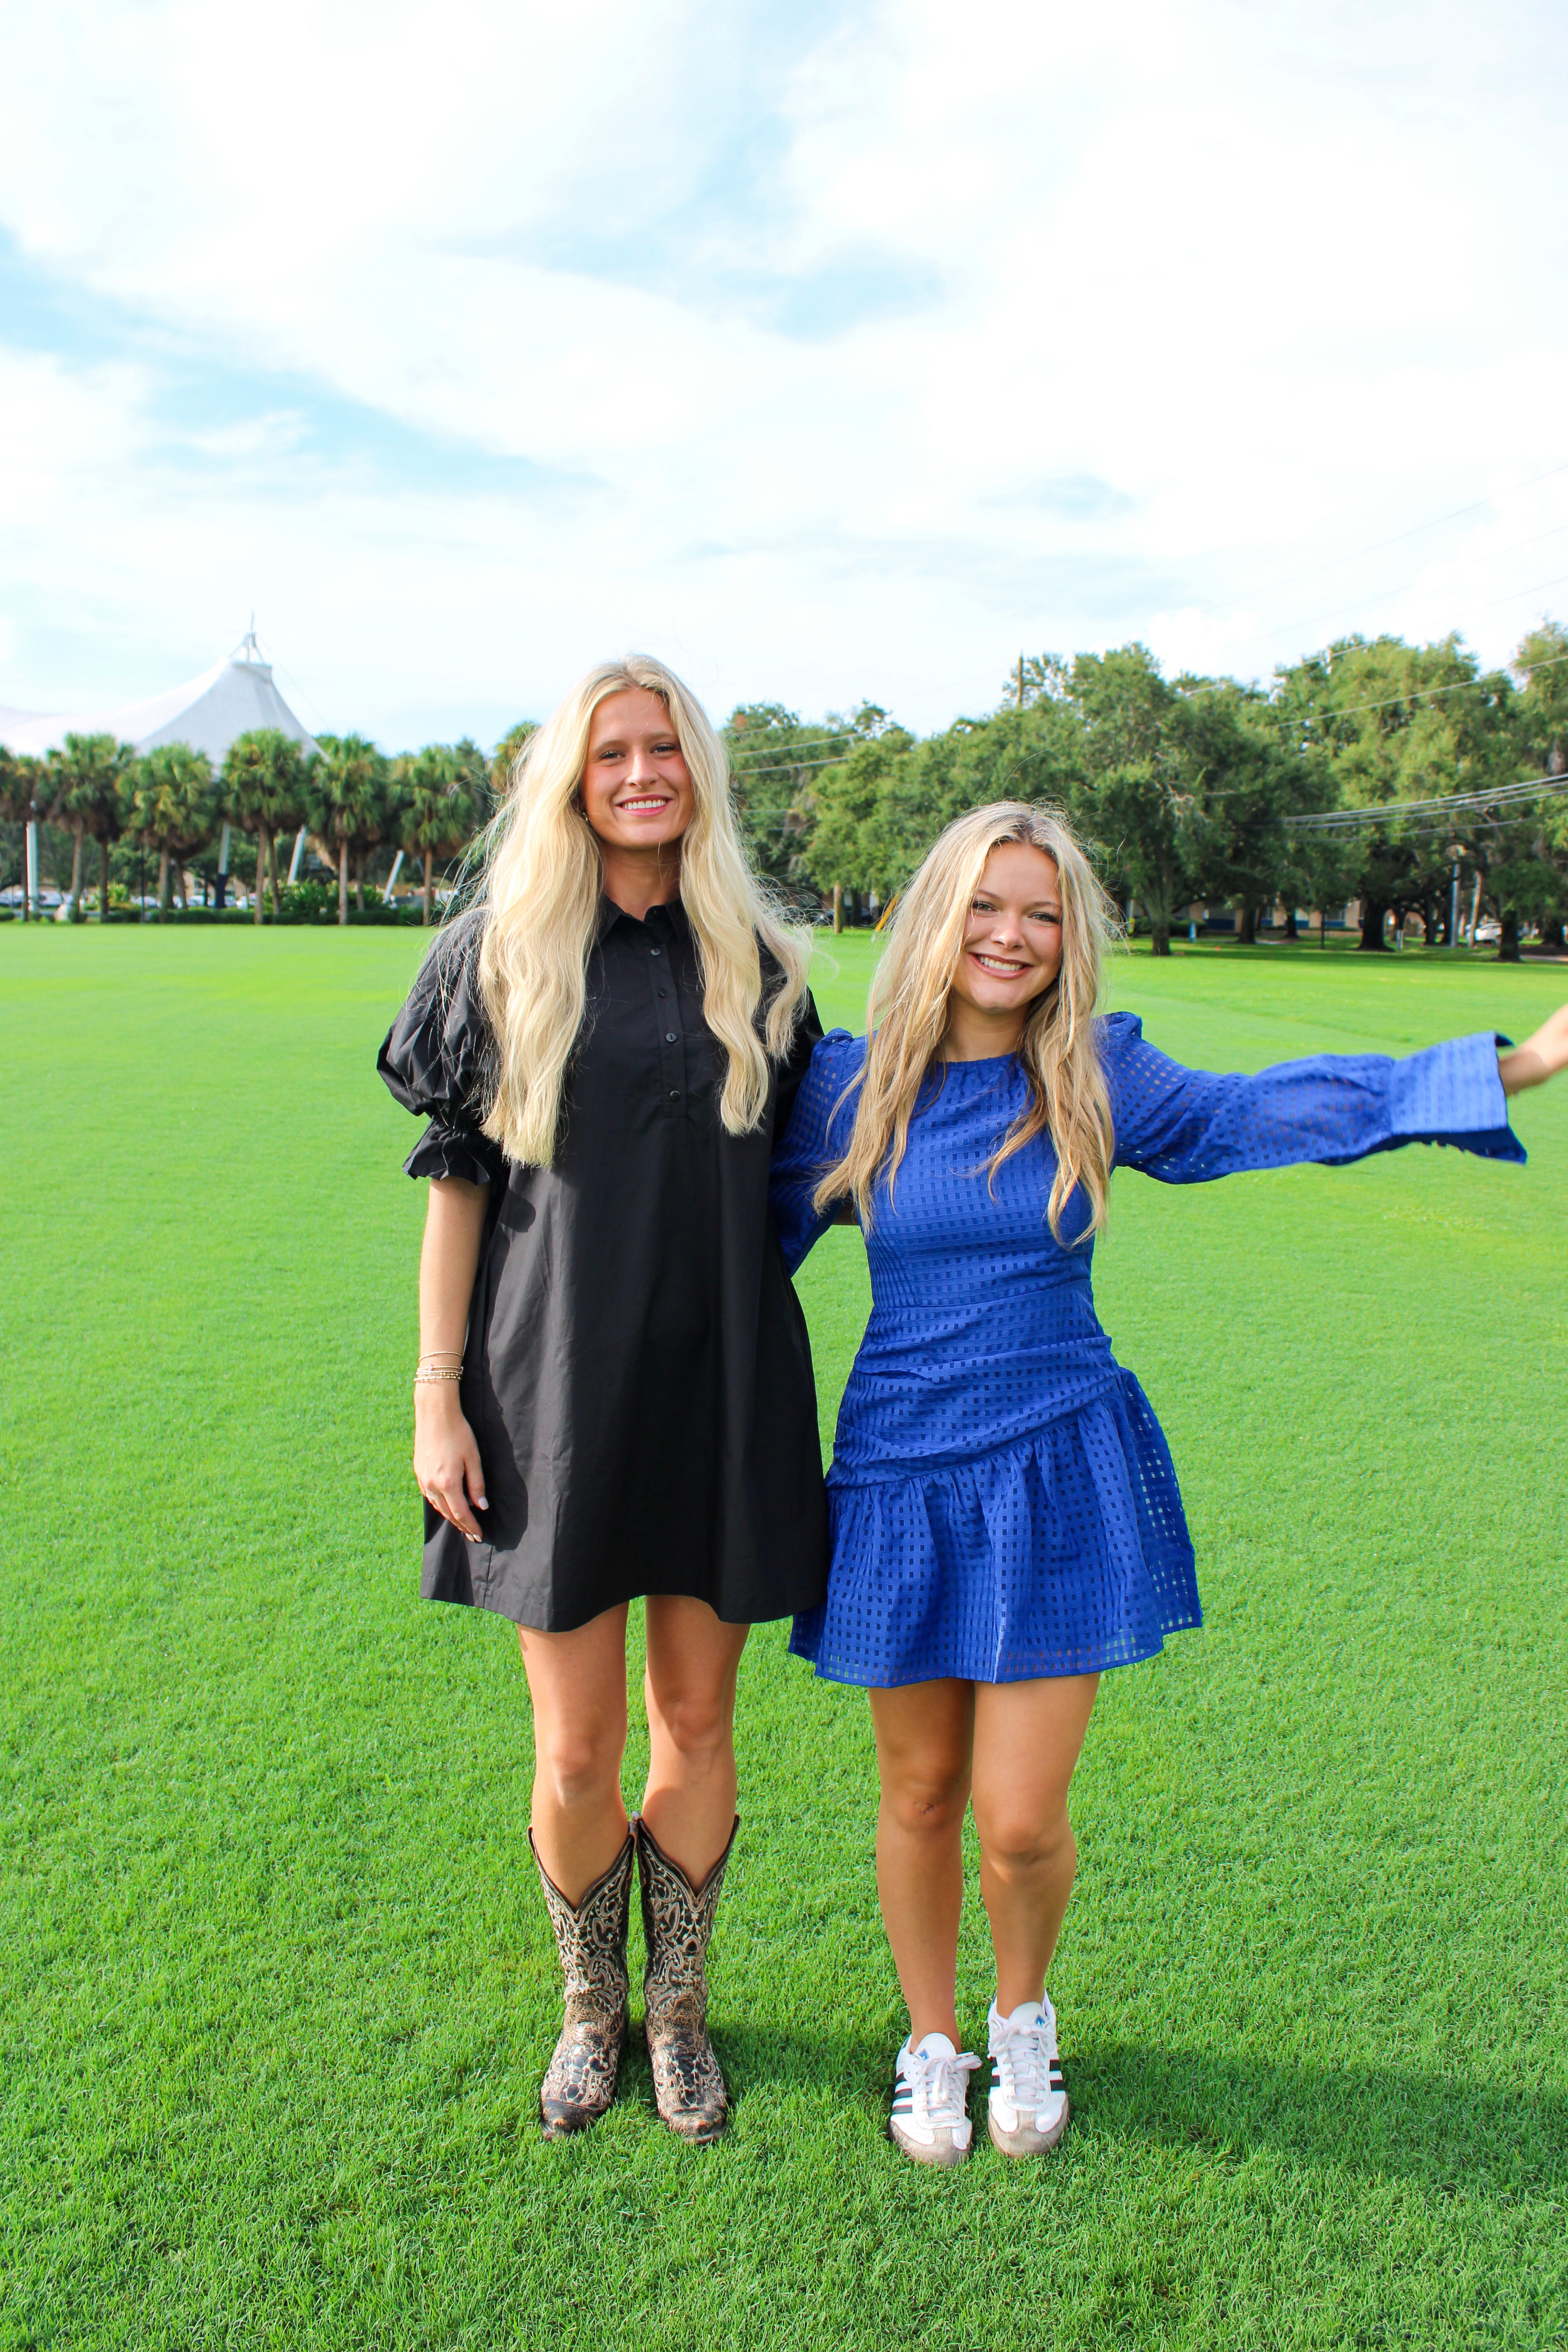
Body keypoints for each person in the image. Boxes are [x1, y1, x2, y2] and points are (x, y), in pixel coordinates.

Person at [769, 800, 1568, 2170]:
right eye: (986, 905)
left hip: (1058, 1464)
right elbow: (720, 1239)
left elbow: (1272, 1110)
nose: (1011, 936)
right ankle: (929, 2044)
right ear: (937, 916)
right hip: (900, 1473)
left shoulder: (1092, 1073)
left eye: (1042, 913)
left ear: (1068, 938)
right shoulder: (854, 1087)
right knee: (917, 1792)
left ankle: (1022, 2017)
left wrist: (1526, 1062)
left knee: (1018, 1820)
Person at [377, 656, 826, 2144]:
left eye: (666, 749)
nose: (642, 773)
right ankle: (592, 2013)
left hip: (721, 1387)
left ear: (698, 771)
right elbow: (457, 1192)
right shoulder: (499, 952)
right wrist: (437, 1398)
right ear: (571, 776)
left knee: (696, 1718)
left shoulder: (763, 965)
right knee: (572, 1747)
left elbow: (823, 1165)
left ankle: (680, 2018)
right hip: (546, 1393)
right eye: (612, 751)